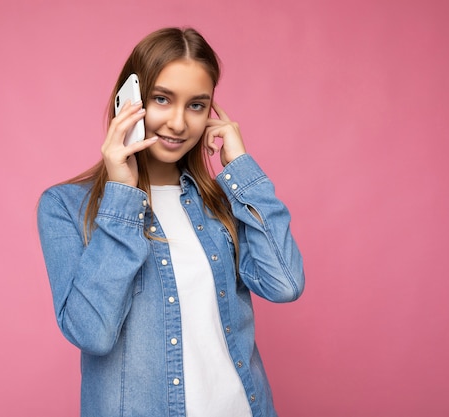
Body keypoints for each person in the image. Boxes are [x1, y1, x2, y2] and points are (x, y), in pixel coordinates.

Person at [37, 27, 305, 417]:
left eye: (196, 105)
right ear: (126, 102)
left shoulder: (222, 204)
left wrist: (241, 170)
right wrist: (123, 196)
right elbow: (91, 332)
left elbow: (285, 284)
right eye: (162, 99)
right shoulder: (65, 207)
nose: (179, 123)